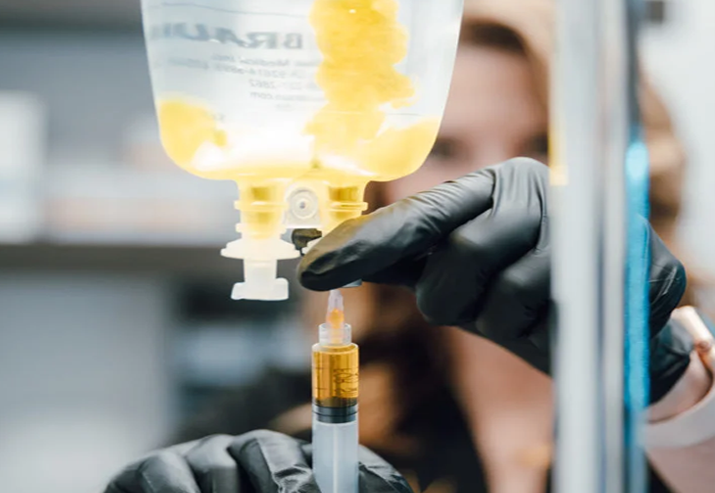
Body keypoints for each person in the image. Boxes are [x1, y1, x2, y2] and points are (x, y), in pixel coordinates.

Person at [104, 1, 715, 492]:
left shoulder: (687, 376)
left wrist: (678, 393)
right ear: (382, 183)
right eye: (444, 151)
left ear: (633, 169)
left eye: (545, 144)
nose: (497, 183)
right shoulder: (277, 419)